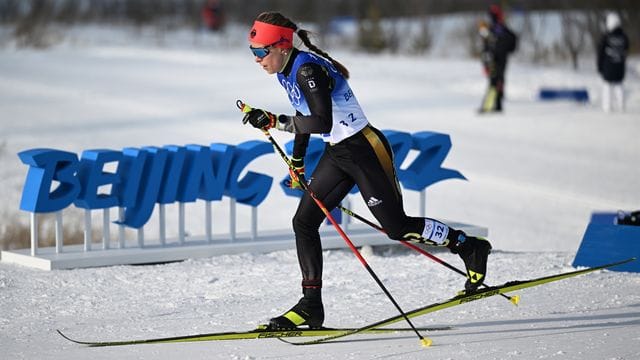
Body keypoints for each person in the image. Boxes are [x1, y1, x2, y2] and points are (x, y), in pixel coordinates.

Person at [241, 11, 491, 330]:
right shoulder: (285, 71)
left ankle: (467, 246)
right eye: (253, 52)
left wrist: (275, 121)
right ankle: (310, 306)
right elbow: (302, 112)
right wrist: (299, 160)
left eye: (261, 51)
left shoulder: (307, 70)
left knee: (397, 228)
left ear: (281, 46)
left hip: (365, 149)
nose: (257, 59)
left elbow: (322, 121)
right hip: (339, 153)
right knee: (304, 222)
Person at [479, 4, 517, 113]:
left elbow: (511, 42)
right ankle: (496, 105)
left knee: (495, 81)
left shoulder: (499, 30)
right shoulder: (494, 29)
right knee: (496, 80)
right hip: (495, 59)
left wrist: (486, 60)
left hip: (497, 59)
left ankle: (491, 105)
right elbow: (486, 45)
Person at [597, 12, 629, 112]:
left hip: (608, 67)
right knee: (619, 86)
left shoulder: (606, 37)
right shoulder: (624, 37)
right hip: (620, 67)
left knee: (607, 87)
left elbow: (600, 52)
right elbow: (626, 49)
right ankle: (621, 106)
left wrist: (599, 66)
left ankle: (607, 107)